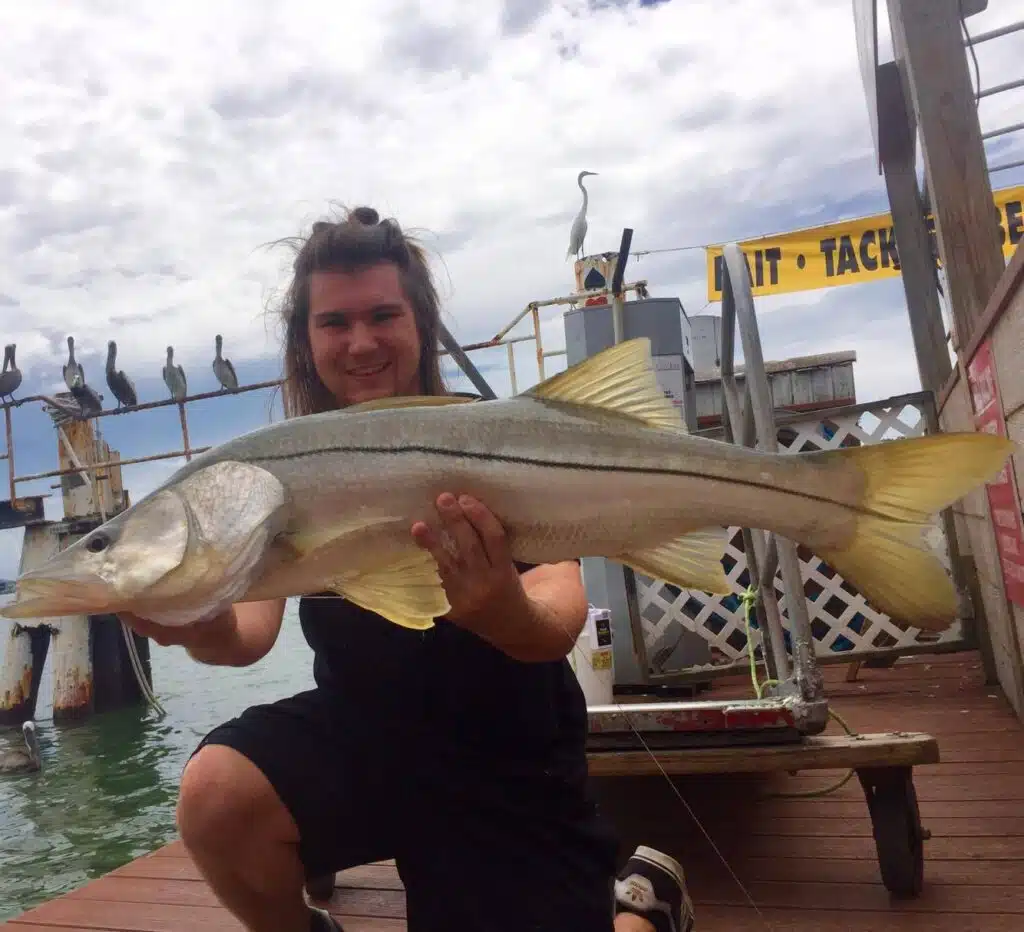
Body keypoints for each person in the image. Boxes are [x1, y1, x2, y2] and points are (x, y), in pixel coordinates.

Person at [120, 206, 695, 932]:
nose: (360, 342)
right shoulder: (274, 472)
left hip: (505, 753)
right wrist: (197, 623)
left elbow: (557, 621)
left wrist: (502, 613)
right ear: (306, 340)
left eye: (382, 315)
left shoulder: (501, 439)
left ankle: (649, 905)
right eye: (334, 322)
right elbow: (244, 637)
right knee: (216, 792)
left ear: (420, 322)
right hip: (367, 740)